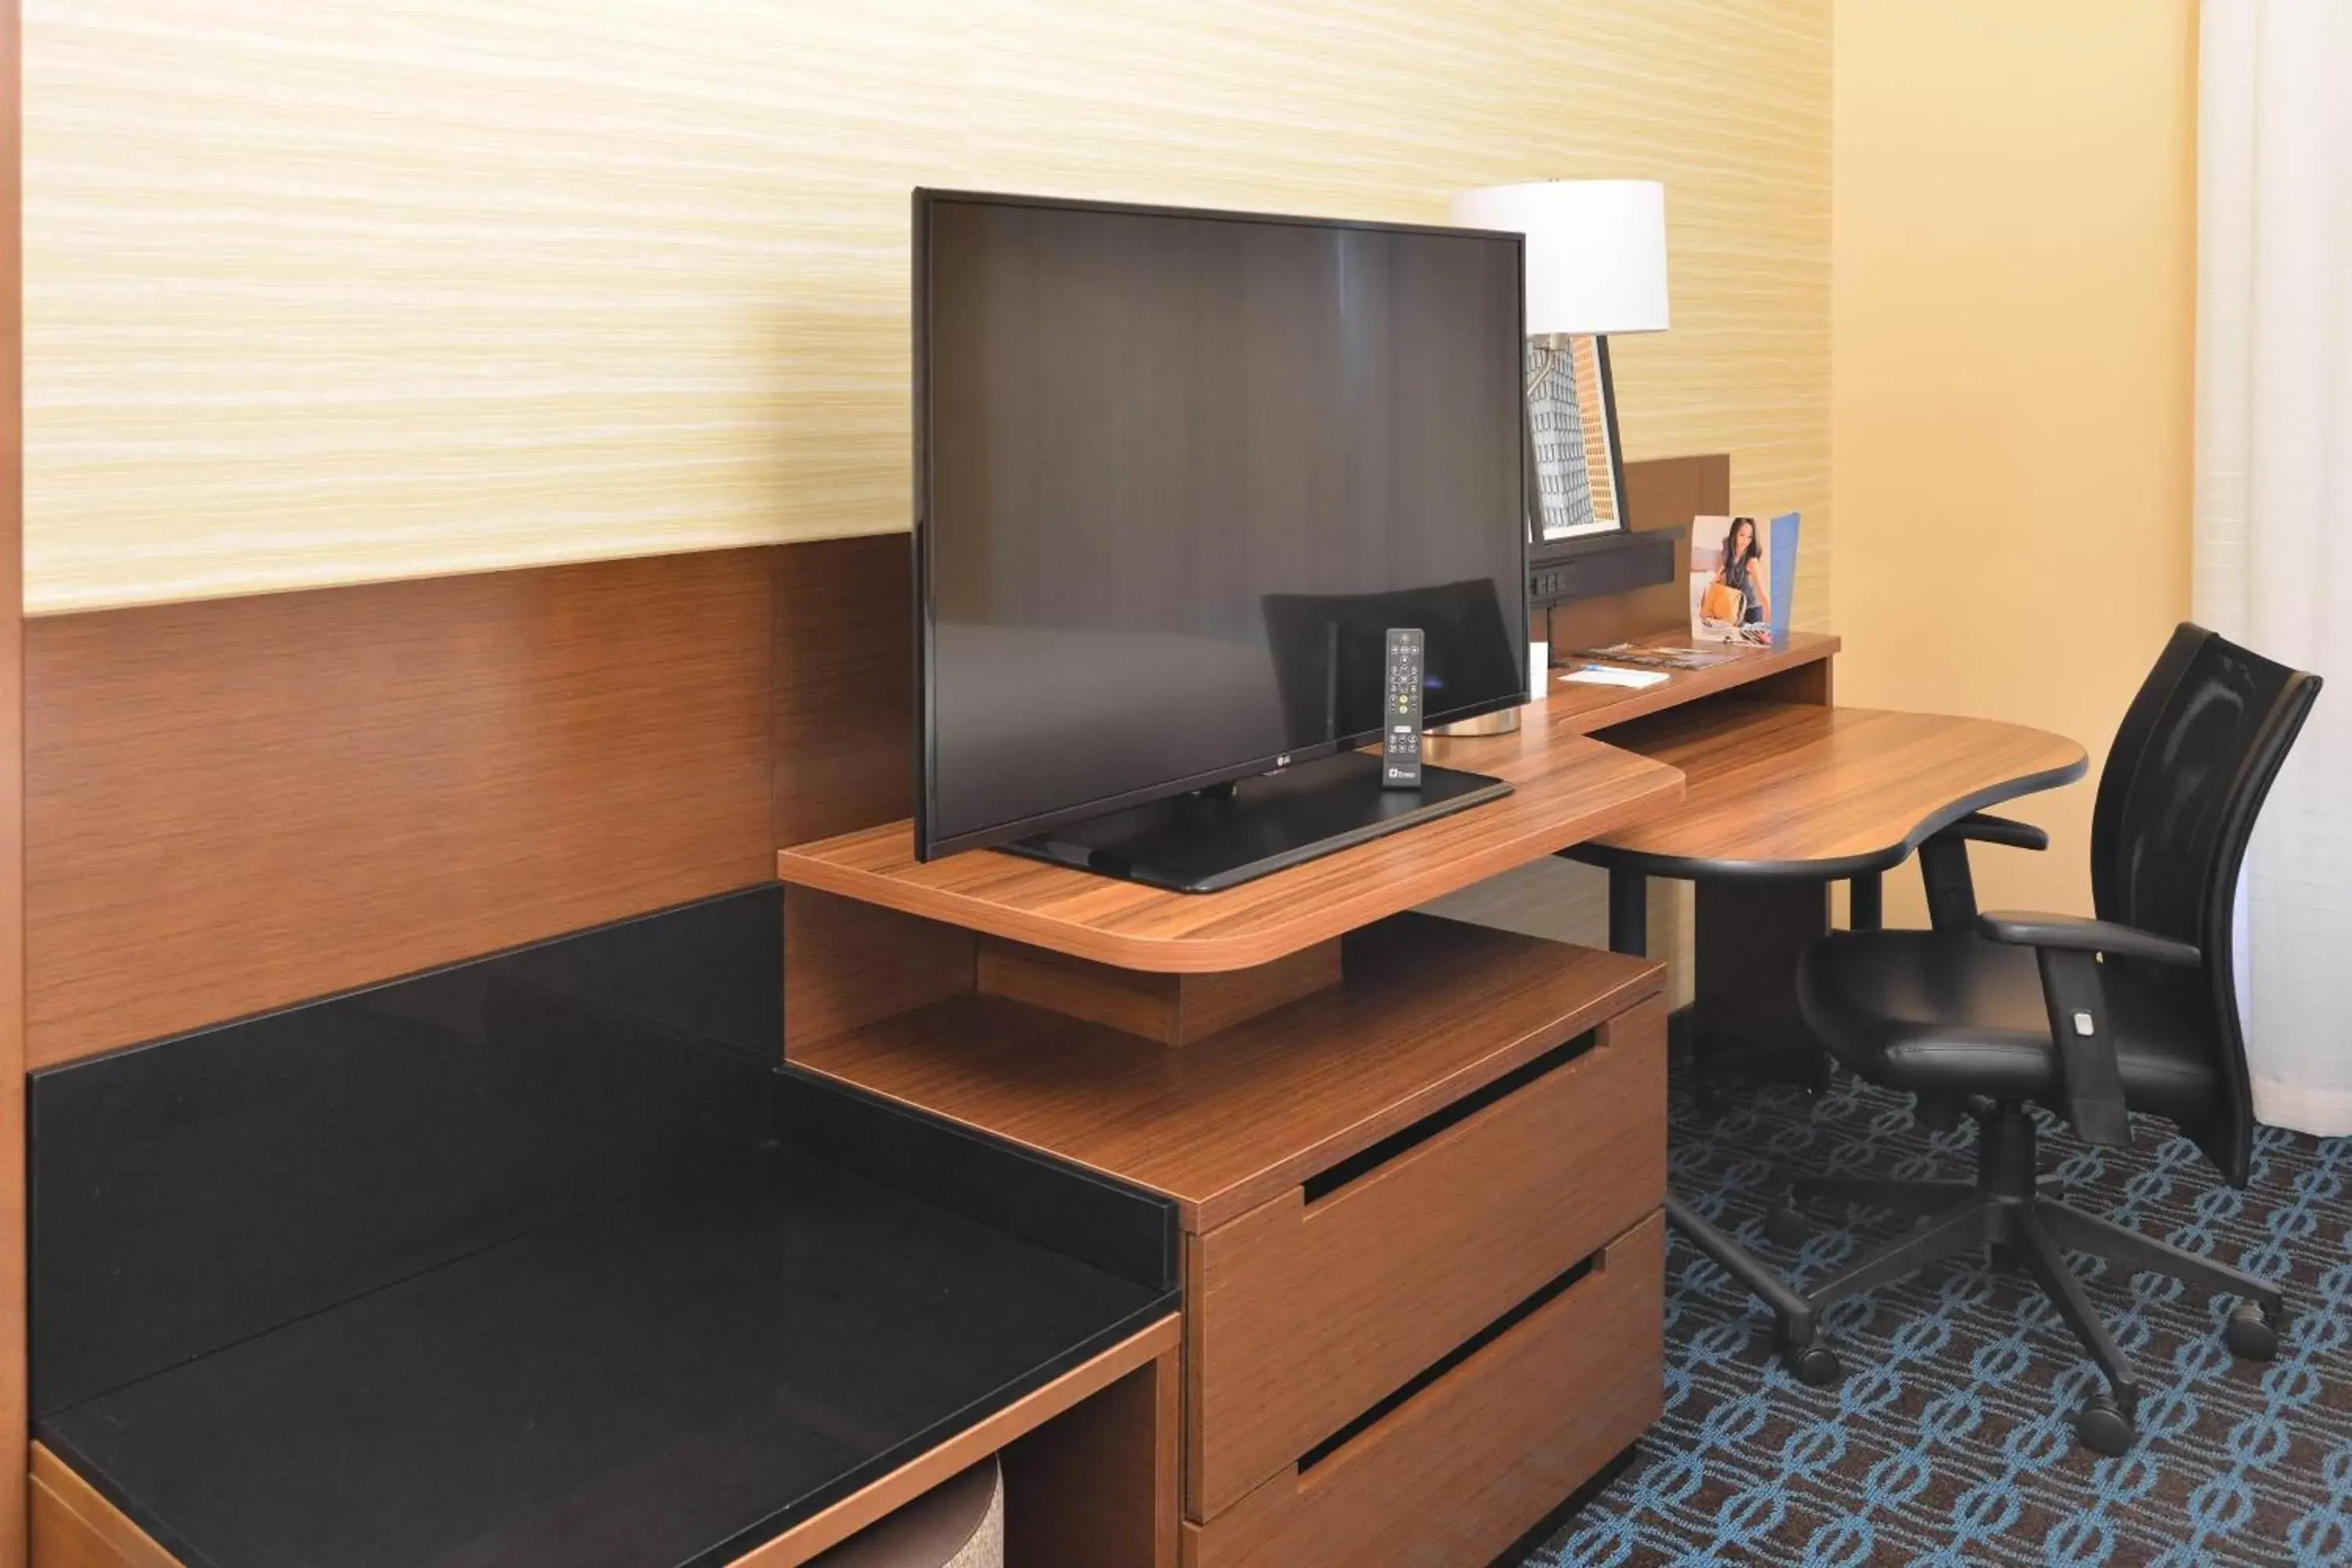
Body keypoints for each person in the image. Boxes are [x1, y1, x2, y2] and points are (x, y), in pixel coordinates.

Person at [1715, 517, 1770, 627]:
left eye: (1749, 537)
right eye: (1742, 535)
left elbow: (1764, 596)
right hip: (1734, 611)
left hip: (1751, 613)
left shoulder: (1752, 562)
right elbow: (1716, 582)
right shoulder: (1727, 557)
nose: (1745, 541)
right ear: (1734, 534)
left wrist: (1774, 629)